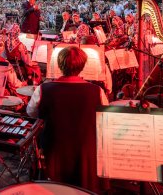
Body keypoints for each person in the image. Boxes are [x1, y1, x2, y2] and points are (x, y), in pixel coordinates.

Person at [26, 46, 108, 193]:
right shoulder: (97, 91)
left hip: (54, 153)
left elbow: (31, 112)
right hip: (85, 155)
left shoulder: (43, 89)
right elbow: (104, 121)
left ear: (59, 64)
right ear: (83, 66)